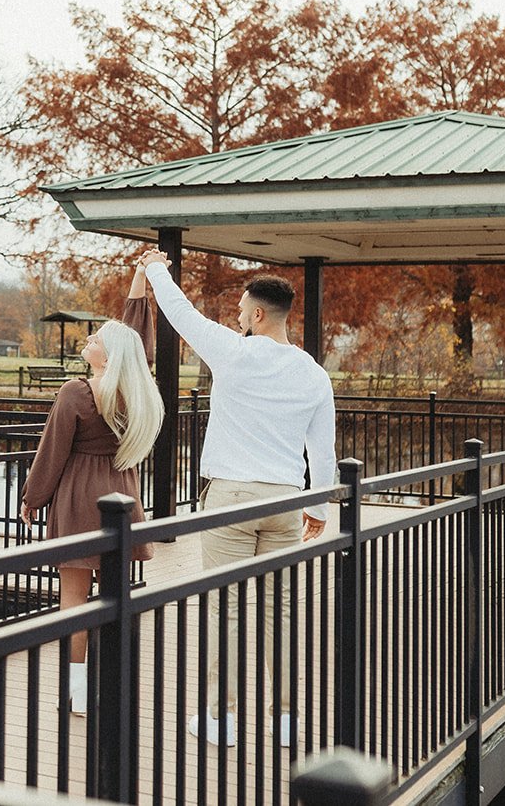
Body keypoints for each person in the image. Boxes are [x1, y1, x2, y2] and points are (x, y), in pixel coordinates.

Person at [139, 249, 336, 748]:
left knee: (222, 608)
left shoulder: (233, 350)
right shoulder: (314, 374)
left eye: (243, 311)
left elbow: (180, 312)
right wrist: (317, 508)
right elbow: (323, 451)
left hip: (231, 497)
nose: (238, 318)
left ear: (258, 315)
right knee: (282, 611)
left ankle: (220, 720)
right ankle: (286, 720)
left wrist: (156, 266)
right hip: (285, 501)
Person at [20, 269, 164, 715]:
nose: (90, 339)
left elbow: (52, 453)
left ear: (108, 355)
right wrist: (140, 283)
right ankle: (113, 681)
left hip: (79, 497)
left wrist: (33, 497)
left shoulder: (77, 393)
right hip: (121, 494)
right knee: (114, 596)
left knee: (73, 602)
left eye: (97, 338)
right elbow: (139, 343)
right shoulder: (135, 392)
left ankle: (77, 690)